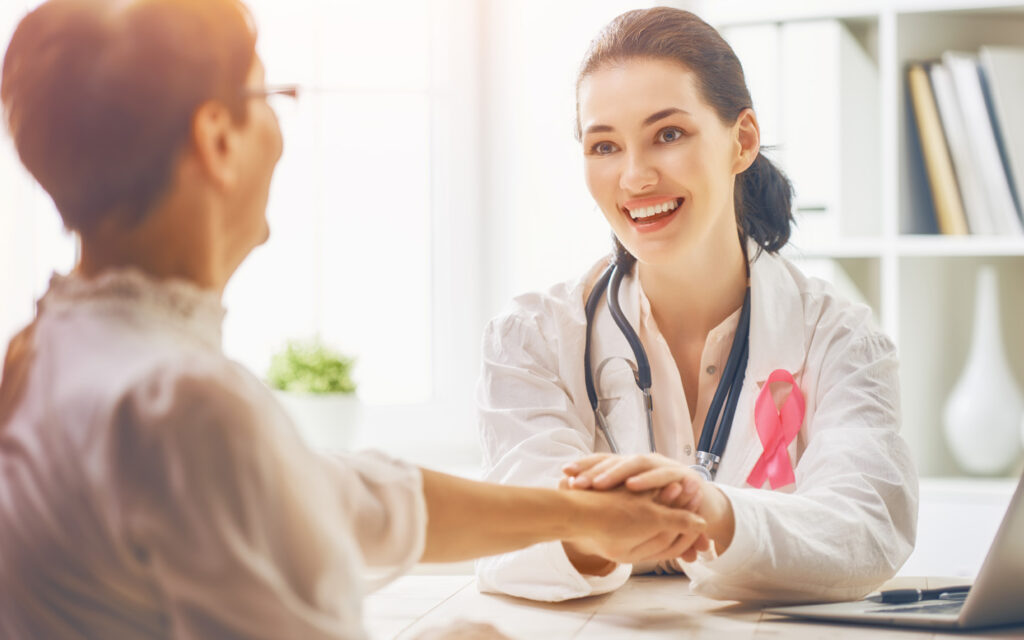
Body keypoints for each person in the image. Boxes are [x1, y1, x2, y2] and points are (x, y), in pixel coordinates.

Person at [0, 1, 709, 638]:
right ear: (218, 139)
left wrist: (584, 518)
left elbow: (341, 498)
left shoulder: (49, 354)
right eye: (269, 95)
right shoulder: (184, 405)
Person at [476, 7, 918, 604]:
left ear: (742, 141)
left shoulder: (839, 338)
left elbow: (867, 527)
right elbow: (506, 533)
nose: (634, 177)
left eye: (669, 134)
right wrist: (596, 529)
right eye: (603, 145)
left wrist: (713, 512)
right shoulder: (531, 338)